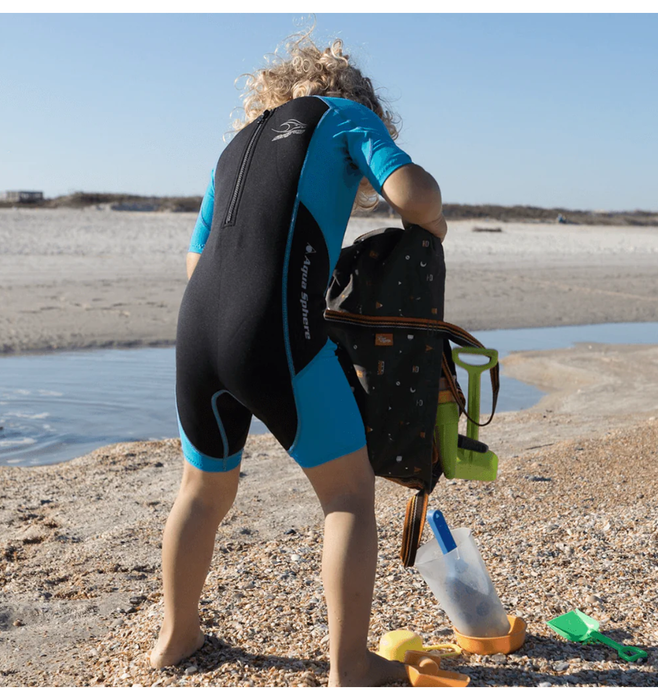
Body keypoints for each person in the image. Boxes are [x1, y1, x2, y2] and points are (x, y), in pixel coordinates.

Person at [149, 31, 447, 687]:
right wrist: (435, 227)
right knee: (347, 495)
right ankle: (350, 666)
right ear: (358, 96)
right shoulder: (344, 118)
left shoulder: (234, 148)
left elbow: (196, 261)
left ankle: (176, 636)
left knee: (200, 491)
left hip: (196, 330)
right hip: (273, 329)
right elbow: (412, 196)